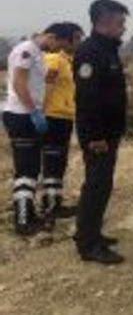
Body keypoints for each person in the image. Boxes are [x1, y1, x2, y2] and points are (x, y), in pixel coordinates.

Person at [73, 0, 129, 264]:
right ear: (103, 22)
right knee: (96, 185)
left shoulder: (106, 50)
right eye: (120, 23)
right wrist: (95, 137)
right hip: (99, 136)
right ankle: (88, 245)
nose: (124, 28)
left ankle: (91, 233)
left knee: (101, 185)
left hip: (108, 132)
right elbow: (87, 98)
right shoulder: (90, 52)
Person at [2, 25, 68, 236]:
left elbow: (33, 82)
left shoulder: (37, 52)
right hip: (21, 115)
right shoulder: (27, 49)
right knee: (26, 169)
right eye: (58, 44)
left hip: (27, 114)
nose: (58, 50)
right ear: (52, 36)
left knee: (30, 168)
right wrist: (33, 112)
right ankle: (22, 220)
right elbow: (19, 83)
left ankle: (28, 214)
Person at [41, 22, 85, 229]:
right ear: (65, 39)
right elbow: (46, 88)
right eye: (76, 38)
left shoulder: (67, 60)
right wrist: (41, 114)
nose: (79, 43)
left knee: (59, 163)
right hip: (52, 118)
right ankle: (50, 207)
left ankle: (55, 203)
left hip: (63, 117)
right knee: (52, 162)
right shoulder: (53, 60)